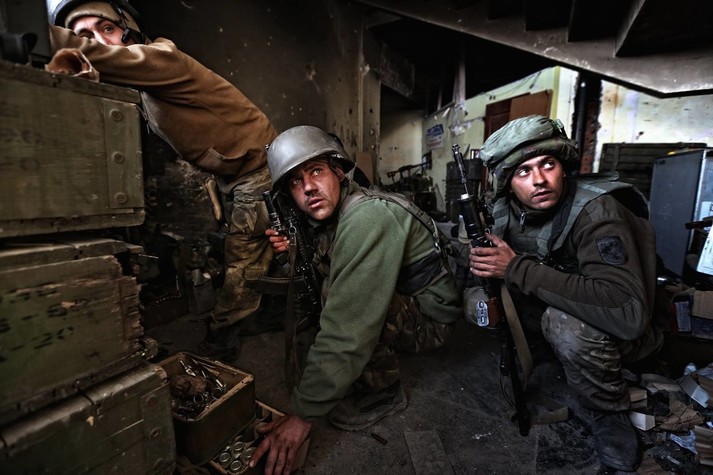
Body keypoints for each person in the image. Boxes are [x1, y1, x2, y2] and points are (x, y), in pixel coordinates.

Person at [46, 0, 281, 359]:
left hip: (257, 171)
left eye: (107, 28)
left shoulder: (162, 58)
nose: (99, 41)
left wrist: (39, 34)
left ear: (129, 29)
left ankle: (221, 342)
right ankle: (264, 311)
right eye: (85, 35)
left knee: (242, 263)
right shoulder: (142, 84)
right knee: (246, 249)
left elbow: (99, 56)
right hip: (230, 174)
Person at [249, 125, 462, 474]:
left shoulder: (367, 216)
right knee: (335, 295)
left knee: (348, 308)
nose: (308, 188)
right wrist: (293, 253)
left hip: (432, 318)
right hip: (403, 301)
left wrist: (302, 415)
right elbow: (320, 274)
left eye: (316, 171)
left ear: (338, 171)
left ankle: (383, 392)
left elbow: (348, 325)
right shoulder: (329, 219)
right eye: (295, 182)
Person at [467, 114, 663, 472]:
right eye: (523, 172)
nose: (539, 180)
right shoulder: (504, 211)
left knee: (567, 326)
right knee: (479, 302)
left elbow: (627, 313)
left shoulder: (597, 212)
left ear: (564, 167)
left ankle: (607, 410)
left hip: (617, 333)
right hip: (547, 311)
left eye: (548, 164)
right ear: (508, 184)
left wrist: (515, 268)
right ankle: (546, 352)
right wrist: (483, 266)